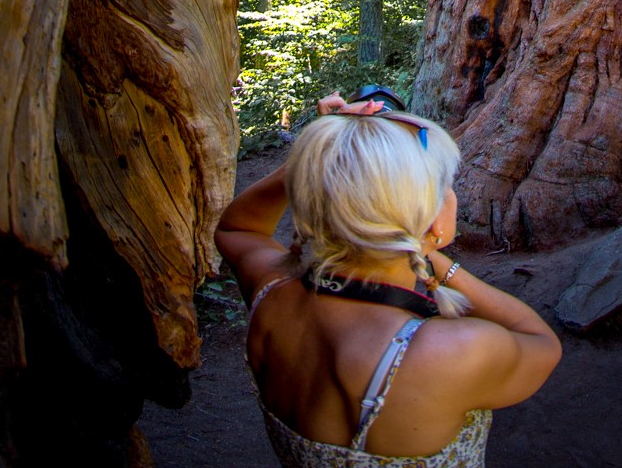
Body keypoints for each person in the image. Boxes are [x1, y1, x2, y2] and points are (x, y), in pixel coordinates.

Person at [215, 93, 561, 466]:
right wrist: (437, 260)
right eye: (445, 184)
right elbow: (541, 343)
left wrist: (323, 153)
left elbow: (238, 230)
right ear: (432, 223)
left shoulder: (271, 290)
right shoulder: (449, 352)